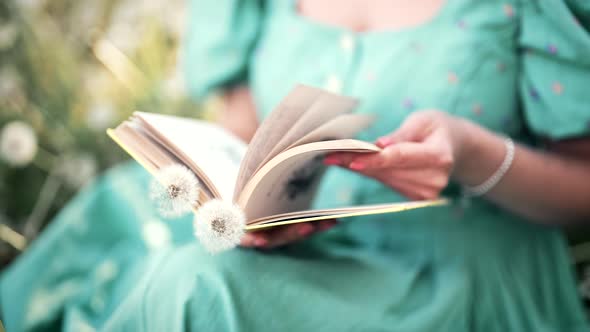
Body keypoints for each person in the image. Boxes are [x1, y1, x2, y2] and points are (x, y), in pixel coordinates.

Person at [2, 0, 590, 331]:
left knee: (190, 291)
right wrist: (251, 209)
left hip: (459, 281)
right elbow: (244, 135)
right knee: (135, 227)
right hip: (309, 251)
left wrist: (471, 152)